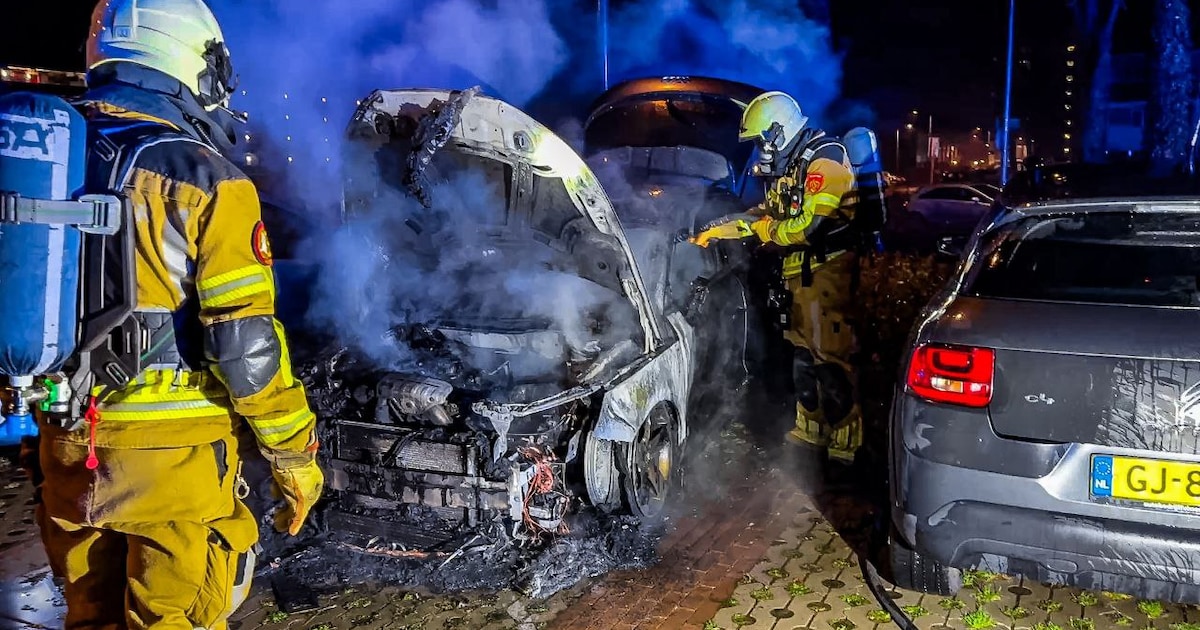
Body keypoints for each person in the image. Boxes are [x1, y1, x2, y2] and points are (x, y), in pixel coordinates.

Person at [35, 1, 324, 628]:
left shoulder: (47, 162)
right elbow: (246, 350)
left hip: (69, 451)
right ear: (191, 62)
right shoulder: (206, 179)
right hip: (174, 466)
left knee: (90, 617)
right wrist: (294, 456)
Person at [692, 91, 863, 466]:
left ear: (777, 131)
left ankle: (846, 443)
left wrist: (760, 230)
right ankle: (812, 429)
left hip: (826, 270)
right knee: (801, 353)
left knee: (829, 358)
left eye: (759, 141)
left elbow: (808, 227)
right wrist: (722, 228)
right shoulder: (794, 165)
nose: (759, 150)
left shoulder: (826, 160)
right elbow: (767, 212)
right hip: (799, 272)